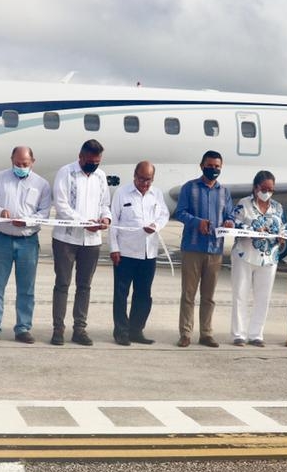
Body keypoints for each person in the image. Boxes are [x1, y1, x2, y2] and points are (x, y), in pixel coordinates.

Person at [0, 146, 52, 344]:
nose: (21, 167)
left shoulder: (42, 184)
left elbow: (44, 213)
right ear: (11, 160)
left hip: (28, 241)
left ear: (33, 161)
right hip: (2, 239)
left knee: (26, 288)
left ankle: (23, 328)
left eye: (25, 164)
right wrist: (0, 212)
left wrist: (28, 221)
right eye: (17, 163)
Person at [51, 139, 112, 346]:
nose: (93, 164)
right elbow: (61, 205)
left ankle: (80, 329)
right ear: (81, 157)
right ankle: (58, 329)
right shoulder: (66, 173)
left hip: (92, 241)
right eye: (90, 160)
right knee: (62, 284)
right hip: (66, 239)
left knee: (84, 286)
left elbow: (105, 204)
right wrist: (83, 222)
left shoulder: (101, 176)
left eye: (97, 161)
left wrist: (106, 219)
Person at [173, 151, 234, 348]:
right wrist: (196, 222)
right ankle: (185, 333)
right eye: (210, 165)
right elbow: (180, 213)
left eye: (217, 166)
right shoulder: (189, 188)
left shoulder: (224, 192)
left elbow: (231, 215)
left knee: (209, 296)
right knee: (188, 294)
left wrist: (229, 222)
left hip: (215, 250)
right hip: (192, 248)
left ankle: (206, 333)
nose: (214, 169)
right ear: (202, 165)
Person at [111, 161, 169, 345]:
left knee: (143, 294)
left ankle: (136, 330)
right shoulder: (122, 193)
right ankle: (121, 331)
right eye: (142, 179)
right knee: (121, 294)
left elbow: (164, 214)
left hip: (148, 252)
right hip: (126, 252)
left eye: (149, 180)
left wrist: (156, 225)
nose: (145, 183)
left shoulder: (156, 194)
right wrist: (114, 248)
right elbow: (113, 221)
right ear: (134, 176)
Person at [229, 170, 286, 346]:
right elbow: (233, 222)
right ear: (255, 188)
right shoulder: (244, 204)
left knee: (263, 297)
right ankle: (238, 334)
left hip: (268, 258)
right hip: (244, 255)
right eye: (264, 188)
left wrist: (283, 236)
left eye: (271, 190)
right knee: (240, 294)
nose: (267, 192)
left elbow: (283, 227)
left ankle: (256, 334)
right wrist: (251, 230)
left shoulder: (277, 207)